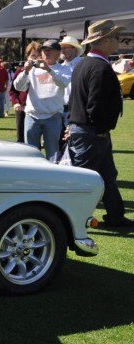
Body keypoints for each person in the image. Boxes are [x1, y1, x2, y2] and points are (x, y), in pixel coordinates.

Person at [66, 20, 132, 227]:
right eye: (115, 38)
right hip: (92, 133)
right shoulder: (98, 67)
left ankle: (115, 216)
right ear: (104, 41)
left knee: (107, 176)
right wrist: (101, 130)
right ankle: (69, 219)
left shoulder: (84, 64)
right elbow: (94, 105)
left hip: (88, 131)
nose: (118, 42)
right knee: (82, 179)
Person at [13, 39, 71, 162]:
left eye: (50, 51)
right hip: (32, 116)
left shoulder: (64, 69)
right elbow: (18, 87)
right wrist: (25, 71)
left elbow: (63, 83)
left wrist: (49, 70)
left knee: (52, 152)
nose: (46, 53)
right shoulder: (33, 69)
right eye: (44, 51)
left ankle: (51, 178)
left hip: (53, 116)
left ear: (58, 53)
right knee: (30, 153)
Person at [9, 42, 41, 143]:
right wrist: (16, 102)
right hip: (22, 109)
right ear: (27, 56)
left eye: (38, 56)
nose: (35, 58)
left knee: (34, 139)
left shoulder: (43, 71)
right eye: (33, 56)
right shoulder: (20, 70)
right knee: (21, 138)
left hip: (37, 110)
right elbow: (13, 90)